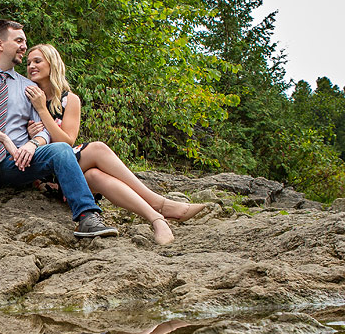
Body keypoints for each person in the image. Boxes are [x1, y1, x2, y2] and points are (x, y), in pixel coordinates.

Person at [24, 43, 209, 246]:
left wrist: (44, 114)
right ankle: (160, 204)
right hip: (45, 174)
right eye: (28, 62)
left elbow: (68, 141)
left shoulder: (70, 100)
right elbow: (59, 145)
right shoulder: (25, 97)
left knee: (94, 175)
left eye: (37, 61)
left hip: (70, 175)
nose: (31, 66)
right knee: (97, 148)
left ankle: (156, 219)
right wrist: (40, 113)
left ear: (53, 64)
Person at [0, 20, 118, 238]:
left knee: (60, 148)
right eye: (19, 40)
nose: (23, 46)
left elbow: (44, 130)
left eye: (25, 42)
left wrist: (33, 144)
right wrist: (4, 139)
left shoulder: (29, 88)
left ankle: (87, 216)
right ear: (0, 44)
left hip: (18, 163)